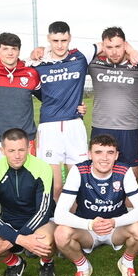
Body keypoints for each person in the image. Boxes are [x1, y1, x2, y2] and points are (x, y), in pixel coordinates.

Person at [52, 134, 138, 276]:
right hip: (87, 230)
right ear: (90, 154)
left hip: (115, 228)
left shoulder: (124, 171)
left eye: (110, 152)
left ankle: (127, 262)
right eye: (98, 152)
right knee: (61, 234)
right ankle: (83, 267)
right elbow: (59, 215)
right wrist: (90, 224)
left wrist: (114, 222)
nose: (104, 158)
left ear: (116, 155)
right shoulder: (79, 171)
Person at [0, 128, 57, 276]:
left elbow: (43, 211)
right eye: (11, 150)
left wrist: (11, 241)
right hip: (10, 221)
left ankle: (46, 263)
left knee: (45, 242)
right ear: (2, 150)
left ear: (29, 148)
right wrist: (18, 239)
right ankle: (15, 263)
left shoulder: (43, 168)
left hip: (40, 221)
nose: (17, 155)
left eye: (21, 149)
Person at [33, 21, 92, 193]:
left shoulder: (81, 56)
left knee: (77, 183)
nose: (60, 45)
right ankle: (54, 218)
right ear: (48, 40)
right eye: (55, 41)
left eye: (64, 40)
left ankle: (76, 218)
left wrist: (132, 50)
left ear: (70, 38)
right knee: (54, 185)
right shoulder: (37, 62)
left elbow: (107, 44)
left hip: (74, 124)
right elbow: (12, 63)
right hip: (49, 126)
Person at [0, 32, 41, 167]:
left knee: (27, 181)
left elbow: (48, 98)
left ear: (19, 51)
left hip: (25, 138)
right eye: (5, 48)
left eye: (14, 49)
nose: (10, 53)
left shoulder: (31, 73)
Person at [88, 26, 138, 180]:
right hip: (101, 127)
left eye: (118, 46)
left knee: (131, 180)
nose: (114, 52)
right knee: (99, 177)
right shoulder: (95, 64)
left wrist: (133, 50)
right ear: (103, 47)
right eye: (109, 47)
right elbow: (72, 54)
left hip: (130, 129)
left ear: (125, 45)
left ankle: (129, 205)